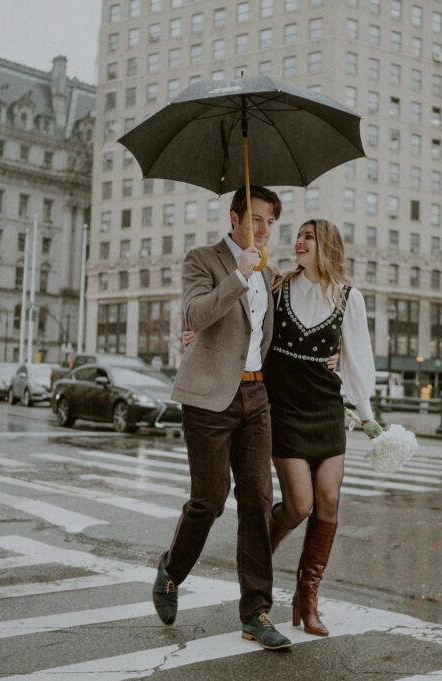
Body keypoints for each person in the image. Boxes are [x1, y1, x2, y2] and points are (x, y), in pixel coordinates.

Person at [151, 186, 292, 651]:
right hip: (209, 398)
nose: (264, 229)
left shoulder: (270, 273)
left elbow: (269, 335)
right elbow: (195, 314)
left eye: (270, 221)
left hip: (255, 396)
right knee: (209, 499)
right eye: (255, 219)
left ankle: (256, 612)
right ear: (234, 218)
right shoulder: (204, 260)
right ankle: (171, 572)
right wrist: (237, 275)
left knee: (257, 500)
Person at [263, 218, 381, 637]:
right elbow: (249, 333)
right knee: (298, 504)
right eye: (298, 235)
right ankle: (259, 558)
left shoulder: (350, 297)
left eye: (308, 237)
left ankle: (306, 597)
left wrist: (366, 416)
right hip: (285, 408)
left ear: (326, 246)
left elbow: (356, 359)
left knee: (328, 498)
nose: (298, 241)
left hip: (326, 409)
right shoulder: (277, 287)